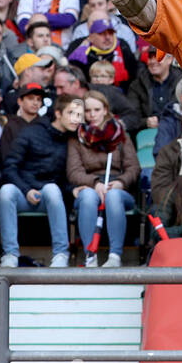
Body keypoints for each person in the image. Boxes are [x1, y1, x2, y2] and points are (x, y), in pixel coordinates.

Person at [0, 94, 83, 268]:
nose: (76, 119)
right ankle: (10, 255)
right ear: (58, 114)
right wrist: (26, 189)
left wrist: (72, 189)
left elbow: (63, 179)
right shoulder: (32, 132)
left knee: (51, 188)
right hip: (23, 192)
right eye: (71, 113)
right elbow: (10, 167)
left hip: (50, 196)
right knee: (6, 191)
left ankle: (60, 255)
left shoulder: (72, 140)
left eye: (79, 115)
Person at [68, 90, 140, 267]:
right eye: (87, 111)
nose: (92, 115)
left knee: (113, 196)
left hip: (117, 186)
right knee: (87, 197)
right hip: (89, 186)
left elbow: (133, 167)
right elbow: (74, 171)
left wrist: (121, 182)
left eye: (97, 110)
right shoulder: (76, 138)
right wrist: (94, 183)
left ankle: (115, 256)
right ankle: (89, 255)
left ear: (105, 110)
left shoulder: (119, 134)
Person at [0, 82, 47, 164]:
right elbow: (6, 157)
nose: (35, 103)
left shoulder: (46, 126)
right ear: (20, 101)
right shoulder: (10, 126)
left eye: (39, 99)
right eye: (30, 98)